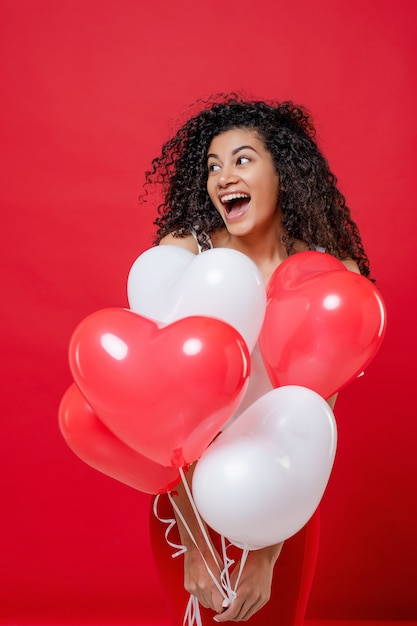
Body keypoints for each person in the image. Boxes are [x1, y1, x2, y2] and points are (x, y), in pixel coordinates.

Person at [144, 93, 371, 625]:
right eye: (213, 166)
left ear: (282, 174)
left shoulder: (332, 278)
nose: (224, 176)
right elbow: (157, 412)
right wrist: (196, 545)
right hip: (187, 507)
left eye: (242, 159)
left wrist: (267, 552)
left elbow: (316, 415)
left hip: (282, 501)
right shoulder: (183, 260)